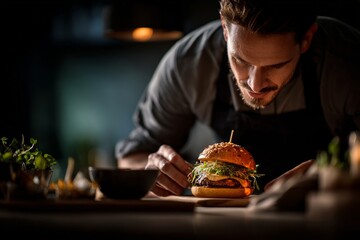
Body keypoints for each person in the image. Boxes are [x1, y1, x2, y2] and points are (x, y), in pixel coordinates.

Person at [115, 0, 360, 196]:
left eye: (276, 65)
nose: (255, 84)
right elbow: (130, 157)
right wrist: (151, 171)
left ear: (306, 39)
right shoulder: (189, 63)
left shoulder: (347, 61)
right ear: (224, 28)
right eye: (240, 60)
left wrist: (338, 173)